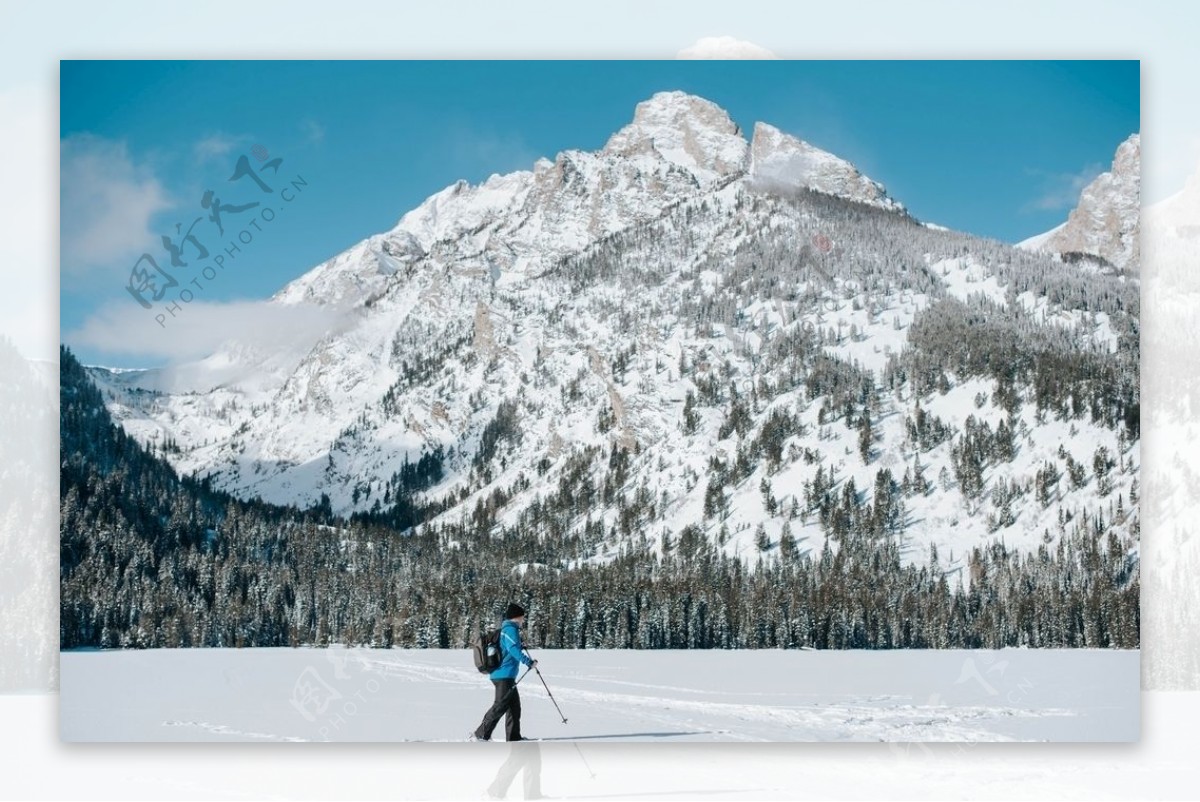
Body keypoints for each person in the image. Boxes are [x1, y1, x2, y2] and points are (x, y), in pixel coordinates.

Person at [473, 603, 537, 742]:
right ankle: (480, 735)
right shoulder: (510, 629)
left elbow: (510, 647)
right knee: (499, 706)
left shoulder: (508, 629)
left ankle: (514, 738)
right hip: (503, 675)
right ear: (516, 617)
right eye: (522, 617)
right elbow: (513, 650)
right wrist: (528, 662)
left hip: (506, 675)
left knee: (514, 708)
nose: (523, 620)